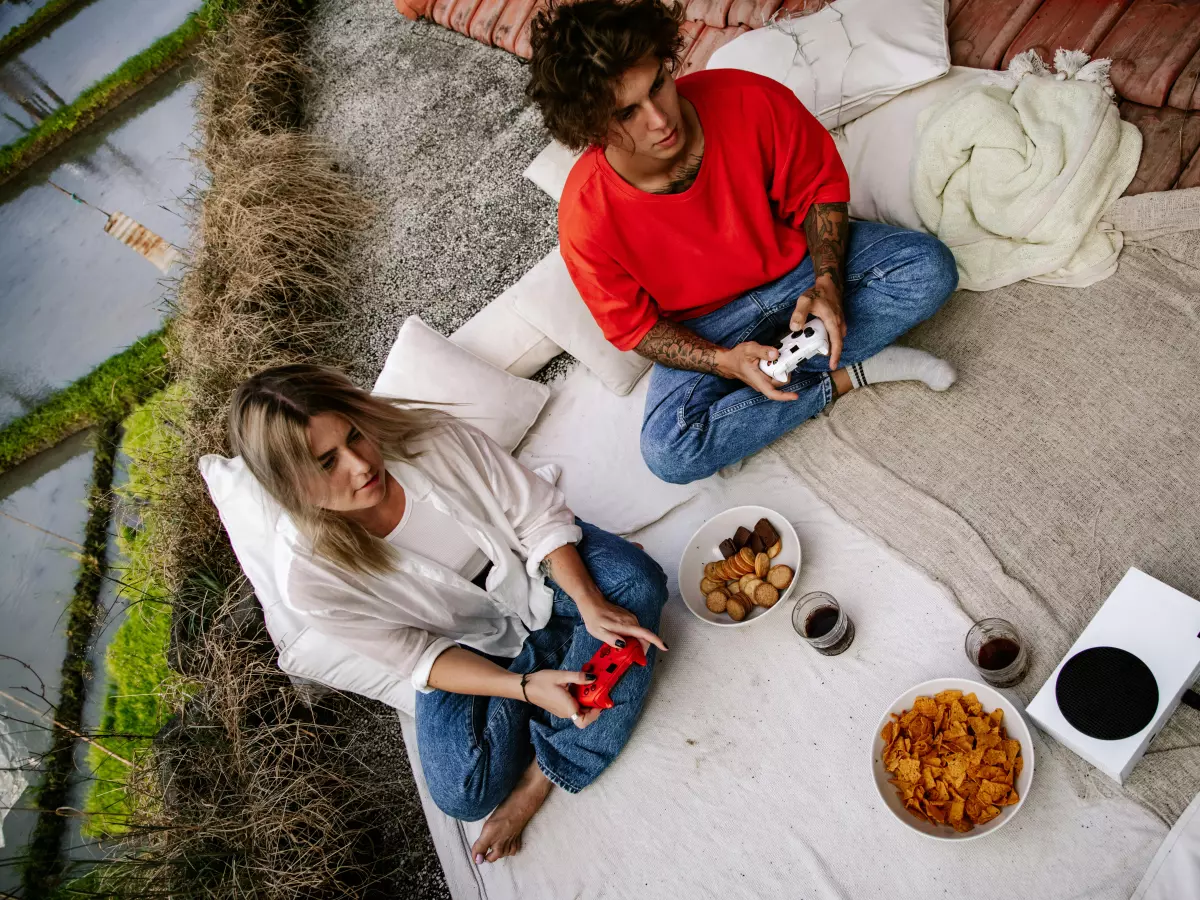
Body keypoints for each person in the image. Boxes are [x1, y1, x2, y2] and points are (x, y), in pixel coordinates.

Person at [228, 364, 669, 863]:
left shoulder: (431, 437)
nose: (360, 464)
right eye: (328, 462)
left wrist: (588, 600)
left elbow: (535, 516)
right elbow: (420, 655)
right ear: (292, 487)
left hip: (533, 570)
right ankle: (562, 678)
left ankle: (544, 772)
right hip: (468, 648)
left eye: (354, 434)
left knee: (633, 584)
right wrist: (521, 687)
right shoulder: (310, 579)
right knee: (464, 790)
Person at [527, 0, 960, 485]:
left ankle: (790, 372)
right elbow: (636, 329)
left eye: (658, 86)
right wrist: (724, 363)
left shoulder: (748, 98)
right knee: (670, 452)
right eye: (627, 113)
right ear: (590, 128)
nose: (658, 119)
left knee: (930, 269)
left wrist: (828, 282)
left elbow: (820, 189)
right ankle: (848, 372)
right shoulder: (585, 218)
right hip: (710, 328)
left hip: (797, 272)